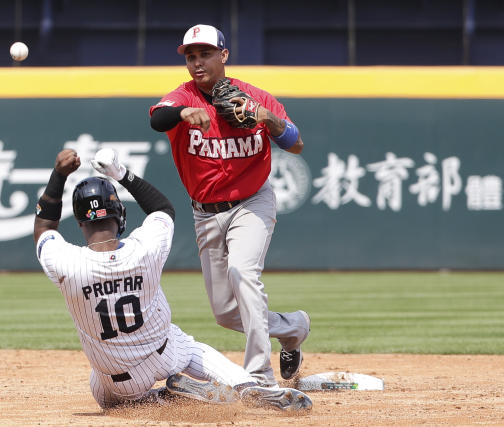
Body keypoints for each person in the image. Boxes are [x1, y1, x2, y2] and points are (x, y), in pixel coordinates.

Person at [33, 147, 312, 411]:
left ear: (80, 222)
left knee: (105, 397)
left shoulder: (65, 262)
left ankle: (163, 399)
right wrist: (122, 174)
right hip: (166, 353)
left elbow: (44, 226)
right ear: (119, 215)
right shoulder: (144, 247)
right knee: (191, 348)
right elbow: (162, 209)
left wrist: (59, 174)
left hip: (118, 378)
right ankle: (248, 385)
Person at [149, 24, 310, 387]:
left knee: (243, 273)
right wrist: (182, 115)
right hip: (205, 212)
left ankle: (259, 375)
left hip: (252, 201)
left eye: (205, 54)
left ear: (224, 55)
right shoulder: (183, 97)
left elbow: (296, 143)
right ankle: (294, 327)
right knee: (225, 313)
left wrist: (266, 118)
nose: (197, 62)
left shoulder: (254, 97)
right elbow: (159, 118)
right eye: (190, 56)